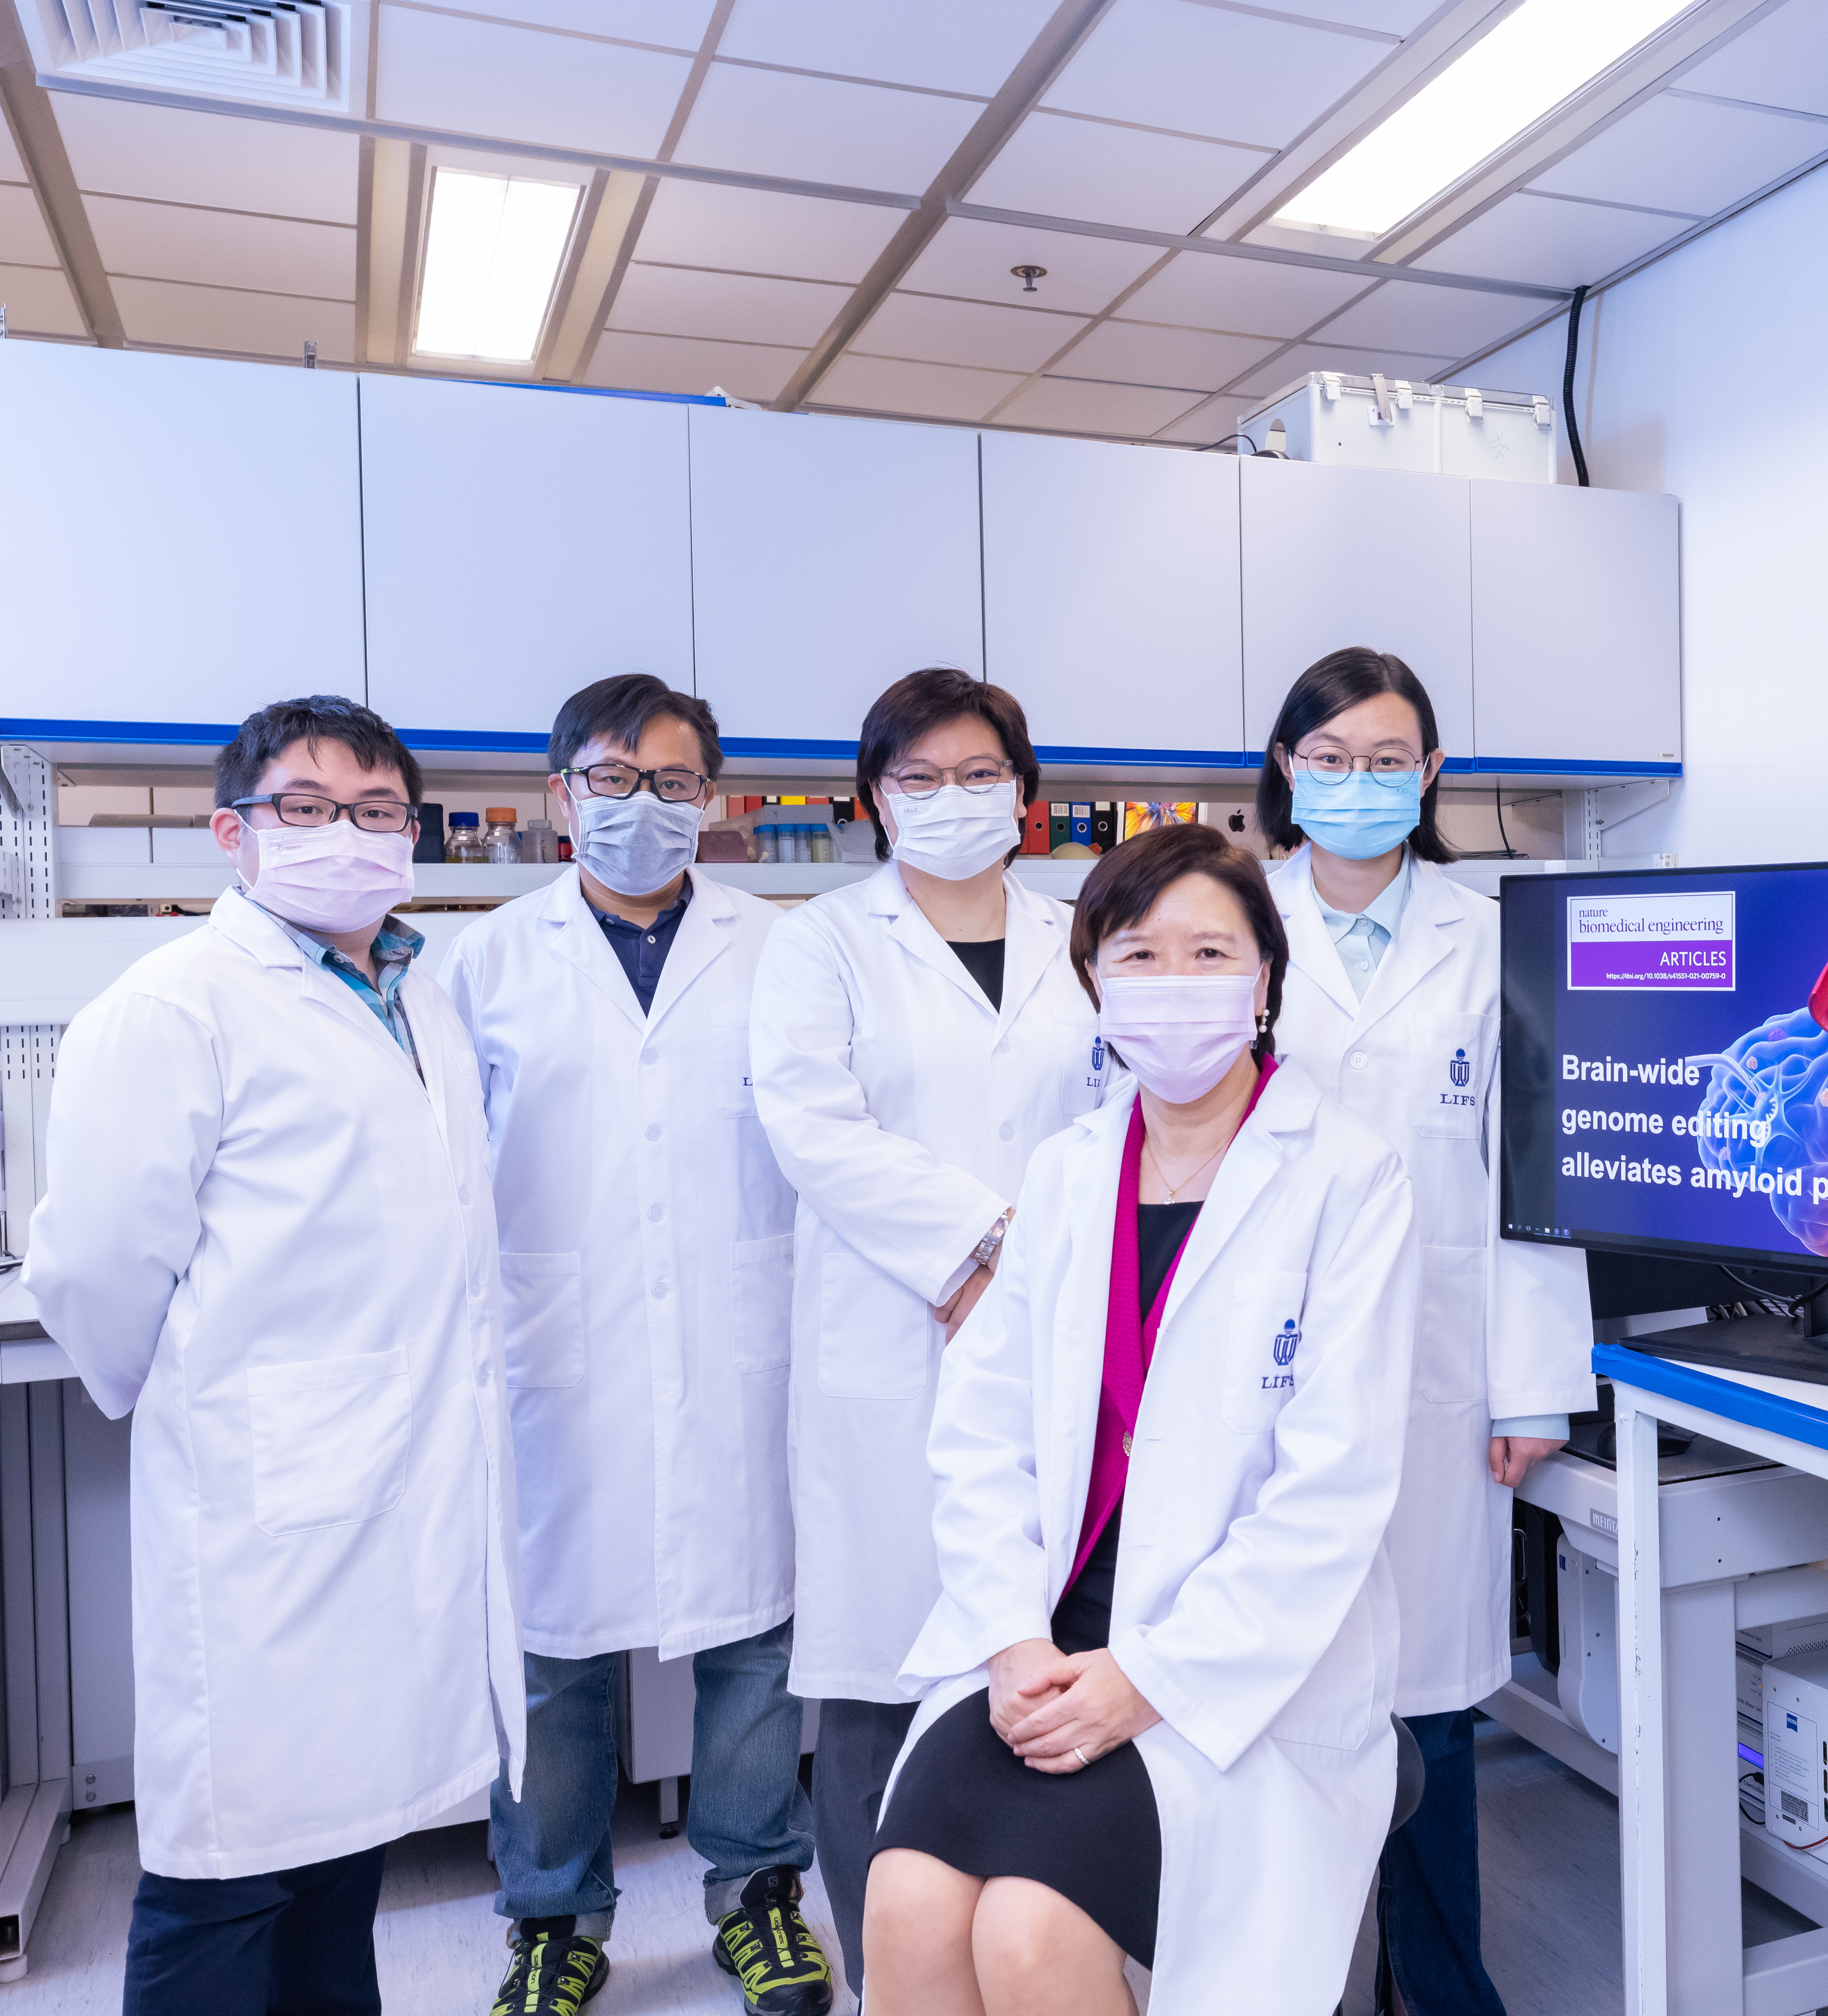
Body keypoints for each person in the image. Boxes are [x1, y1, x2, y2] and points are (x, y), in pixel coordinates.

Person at [865, 822, 1421, 2015]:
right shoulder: (1065, 1173)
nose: (1175, 984)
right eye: (1139, 953)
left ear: (1265, 979)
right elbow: (979, 1439)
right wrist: (1012, 1637)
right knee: (905, 1899)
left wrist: (1151, 1676)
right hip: (1043, 1636)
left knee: (1029, 1927)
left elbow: (1332, 1491)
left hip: (1234, 1665)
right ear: (1094, 981)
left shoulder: (1348, 1176)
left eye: (1209, 951)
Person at [27, 695, 525, 2016]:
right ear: (231, 833)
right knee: (225, 1873)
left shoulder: (420, 994)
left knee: (341, 1856)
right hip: (265, 1501)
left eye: (374, 811)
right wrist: (221, 1404)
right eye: (304, 809)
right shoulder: (173, 1006)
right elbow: (94, 1268)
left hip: (401, 1483)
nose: (343, 836)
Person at [436, 676, 828, 2016]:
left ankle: (758, 1894)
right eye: (612, 778)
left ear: (711, 801)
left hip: (744, 1338)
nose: (642, 806)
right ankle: (553, 1917)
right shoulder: (479, 964)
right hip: (553, 1351)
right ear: (562, 797)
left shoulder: (783, 950)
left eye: (673, 781)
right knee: (549, 1654)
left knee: (757, 1641)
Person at [748, 669, 1107, 1961]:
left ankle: (1028, 1941)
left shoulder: (1086, 935)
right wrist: (985, 1243)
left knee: (1042, 1650)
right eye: (919, 778)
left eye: (978, 774)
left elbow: (1128, 1117)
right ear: (871, 801)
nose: (952, 799)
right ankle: (884, 1969)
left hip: (1070, 1331)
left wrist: (1040, 1262)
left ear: (1025, 795)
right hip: (898, 1335)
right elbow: (812, 1125)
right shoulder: (822, 942)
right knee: (876, 1673)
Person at [1257, 648, 1596, 2016]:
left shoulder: (1494, 937)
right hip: (1269, 1373)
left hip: (1445, 1371)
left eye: (1388, 758)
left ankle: (1444, 1990)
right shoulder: (1233, 921)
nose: (1359, 784)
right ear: (1284, 769)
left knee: (1430, 1713)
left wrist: (1534, 1390)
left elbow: (1534, 1185)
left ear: (1433, 772)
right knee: (1278, 1700)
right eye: (1330, 759)